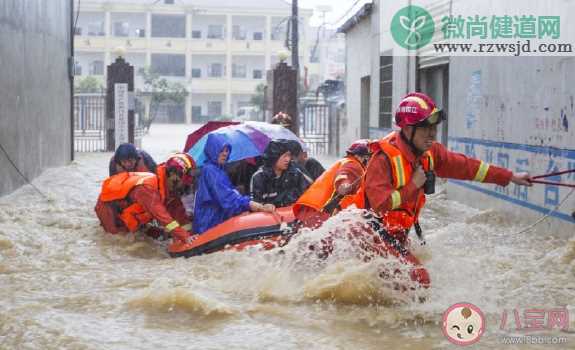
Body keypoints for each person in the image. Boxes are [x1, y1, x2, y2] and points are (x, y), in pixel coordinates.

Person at [360, 92, 532, 247]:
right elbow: (380, 205)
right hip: (369, 236)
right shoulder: (383, 160)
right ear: (407, 129)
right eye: (426, 128)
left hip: (395, 237)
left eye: (434, 128)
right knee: (420, 279)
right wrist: (413, 185)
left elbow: (467, 167)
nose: (432, 134)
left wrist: (509, 177)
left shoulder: (430, 152)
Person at [95, 153, 196, 244]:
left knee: (149, 235)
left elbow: (177, 211)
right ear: (173, 176)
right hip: (108, 209)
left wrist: (185, 231)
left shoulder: (167, 186)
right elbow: (163, 217)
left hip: (128, 209)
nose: (182, 187)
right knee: (119, 241)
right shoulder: (149, 188)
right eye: (182, 183)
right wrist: (185, 237)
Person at [193, 134, 274, 234]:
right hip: (209, 223)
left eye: (227, 150)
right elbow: (227, 198)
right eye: (221, 150)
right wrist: (252, 204)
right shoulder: (210, 170)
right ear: (212, 150)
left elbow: (230, 193)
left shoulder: (219, 170)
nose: (224, 154)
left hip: (216, 219)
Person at [293, 139, 372, 228]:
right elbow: (345, 174)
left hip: (315, 212)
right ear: (360, 157)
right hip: (325, 215)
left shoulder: (345, 162)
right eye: (370, 158)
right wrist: (344, 184)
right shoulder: (354, 165)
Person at [250, 139, 312, 208]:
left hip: (292, 214)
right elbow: (255, 204)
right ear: (274, 157)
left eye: (289, 155)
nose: (288, 159)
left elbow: (308, 192)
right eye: (284, 156)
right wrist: (264, 206)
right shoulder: (259, 177)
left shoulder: (294, 172)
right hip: (271, 216)